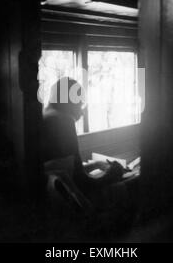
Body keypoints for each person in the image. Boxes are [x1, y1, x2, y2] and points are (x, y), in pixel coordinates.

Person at [43, 77, 139, 232]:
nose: (82, 110)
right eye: (80, 104)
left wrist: (96, 164)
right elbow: (83, 183)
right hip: (83, 198)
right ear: (70, 102)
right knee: (136, 181)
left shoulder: (47, 115)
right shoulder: (63, 122)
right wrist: (112, 174)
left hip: (60, 196)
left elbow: (66, 168)